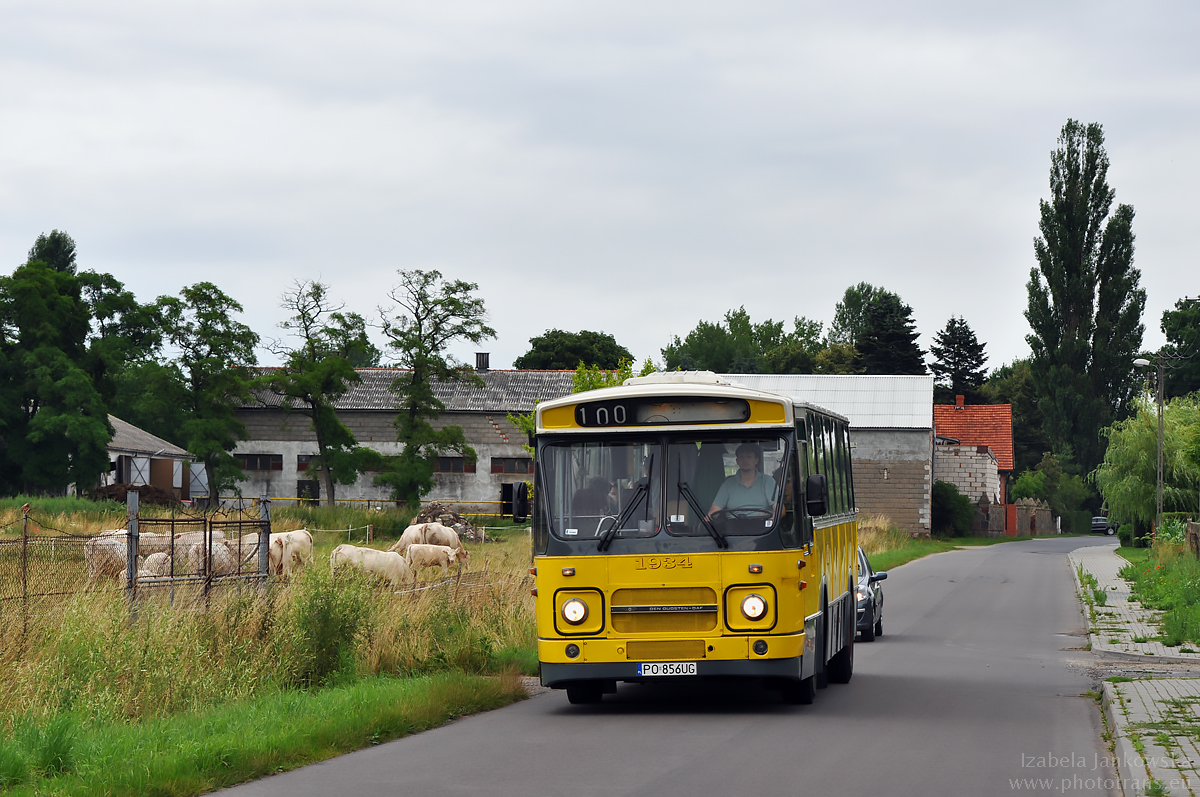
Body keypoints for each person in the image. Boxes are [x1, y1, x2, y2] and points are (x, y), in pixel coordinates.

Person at [708, 442, 776, 518]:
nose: (745, 460)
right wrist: (703, 524)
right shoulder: (728, 484)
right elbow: (714, 512)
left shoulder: (768, 481)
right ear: (737, 461)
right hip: (734, 527)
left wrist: (769, 520)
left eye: (749, 457)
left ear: (756, 460)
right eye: (742, 457)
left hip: (762, 527)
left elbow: (780, 510)